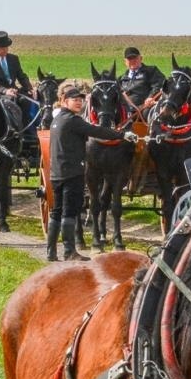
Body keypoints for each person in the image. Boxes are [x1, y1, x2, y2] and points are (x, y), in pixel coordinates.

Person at [47, 83, 136, 262]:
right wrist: (122, 135)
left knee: (56, 212)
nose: (78, 103)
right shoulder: (73, 121)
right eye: (74, 100)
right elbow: (96, 130)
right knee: (69, 212)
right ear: (64, 101)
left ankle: (51, 252)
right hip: (72, 173)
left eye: (80, 100)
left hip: (56, 173)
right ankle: (69, 252)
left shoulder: (57, 120)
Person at [0, 31, 33, 97]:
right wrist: (5, 90)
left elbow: (21, 77)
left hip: (14, 92)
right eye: (1, 48)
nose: (5, 50)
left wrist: (29, 88)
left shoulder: (13, 59)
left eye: (6, 47)